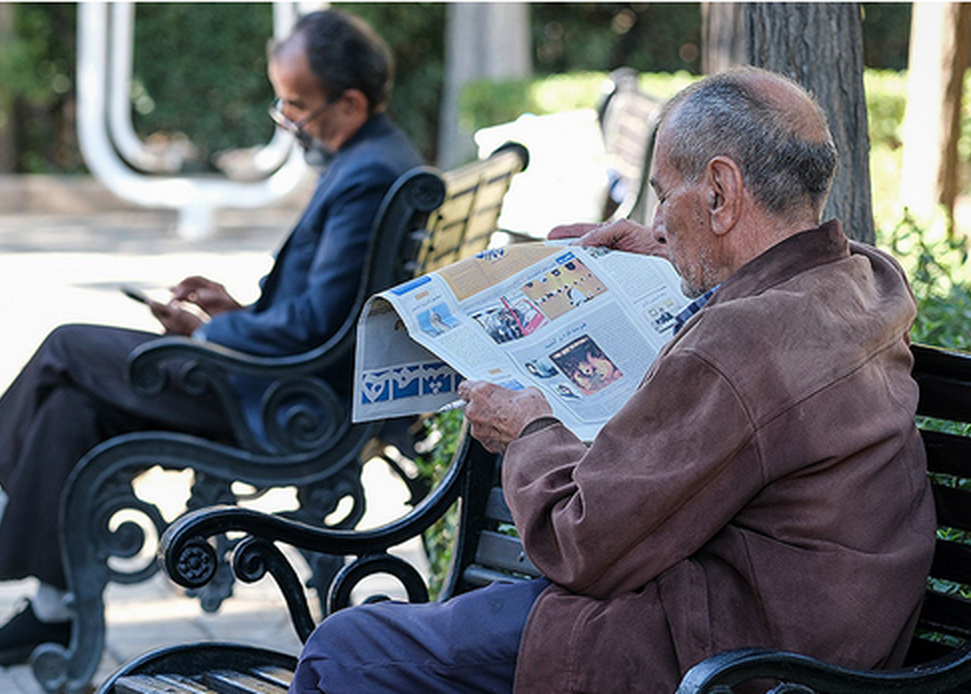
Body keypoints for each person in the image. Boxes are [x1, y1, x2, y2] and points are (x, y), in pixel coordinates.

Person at [286, 67, 937, 694]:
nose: (656, 222)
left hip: (728, 658)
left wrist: (526, 432)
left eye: (662, 194)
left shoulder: (740, 345)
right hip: (822, 634)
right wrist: (675, 258)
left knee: (345, 651)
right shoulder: (865, 281)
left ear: (719, 192)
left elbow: (579, 542)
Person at [0, 9, 421, 666]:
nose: (287, 119)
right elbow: (319, 312)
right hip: (287, 386)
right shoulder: (375, 158)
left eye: (295, 105)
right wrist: (233, 309)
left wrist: (216, 332)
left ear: (349, 103)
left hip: (282, 404)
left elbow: (310, 329)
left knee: (67, 346)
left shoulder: (368, 174)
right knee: (72, 406)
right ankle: (50, 613)